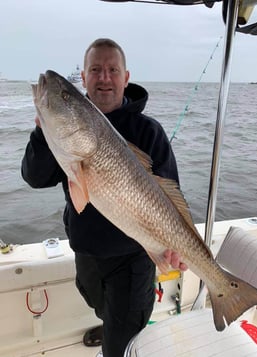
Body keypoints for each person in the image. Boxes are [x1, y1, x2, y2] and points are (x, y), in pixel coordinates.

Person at [21, 38, 187, 357]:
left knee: (122, 345)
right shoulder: (69, 128)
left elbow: (171, 199)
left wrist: (177, 245)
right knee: (102, 311)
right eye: (95, 69)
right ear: (84, 78)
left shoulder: (149, 132)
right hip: (87, 256)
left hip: (134, 260)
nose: (104, 77)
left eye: (113, 69)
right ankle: (110, 327)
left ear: (126, 78)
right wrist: (44, 132)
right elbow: (35, 177)